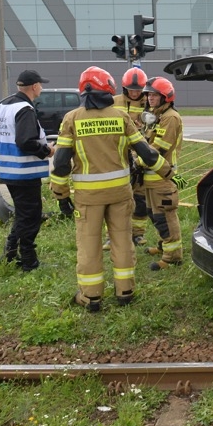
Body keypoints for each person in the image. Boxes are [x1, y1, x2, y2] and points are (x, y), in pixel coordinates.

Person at [50, 67, 173, 312]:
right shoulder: (120, 117)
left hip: (88, 198)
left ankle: (91, 296)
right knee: (122, 240)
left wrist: (60, 195)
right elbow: (147, 153)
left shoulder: (72, 118)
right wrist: (168, 172)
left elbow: (61, 162)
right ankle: (125, 290)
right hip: (120, 194)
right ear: (109, 90)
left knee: (89, 244)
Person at [0, 70, 56, 272]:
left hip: (9, 170)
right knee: (31, 216)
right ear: (34, 87)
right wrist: (46, 150)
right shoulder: (25, 109)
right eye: (41, 84)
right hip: (24, 172)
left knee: (23, 215)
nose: (42, 88)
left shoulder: (4, 104)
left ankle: (10, 254)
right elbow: (25, 140)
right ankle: (29, 261)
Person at [140, 77, 187, 271]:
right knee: (154, 214)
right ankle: (163, 246)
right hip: (151, 177)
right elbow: (144, 142)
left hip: (163, 177)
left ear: (165, 97)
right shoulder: (155, 115)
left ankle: (173, 256)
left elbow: (158, 148)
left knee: (165, 217)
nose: (150, 98)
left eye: (154, 95)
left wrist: (136, 162)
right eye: (149, 95)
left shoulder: (170, 118)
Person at [113, 67, 149, 245]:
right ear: (124, 87)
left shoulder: (149, 103)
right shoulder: (114, 102)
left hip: (141, 157)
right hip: (119, 157)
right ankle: (111, 237)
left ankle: (138, 233)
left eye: (138, 89)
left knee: (140, 199)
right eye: (131, 89)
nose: (135, 93)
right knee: (116, 199)